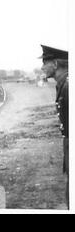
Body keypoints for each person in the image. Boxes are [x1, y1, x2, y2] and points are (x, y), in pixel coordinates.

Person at [40, 44, 69, 208]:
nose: (42, 67)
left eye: (45, 62)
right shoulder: (63, 84)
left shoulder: (68, 87)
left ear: (56, 64)